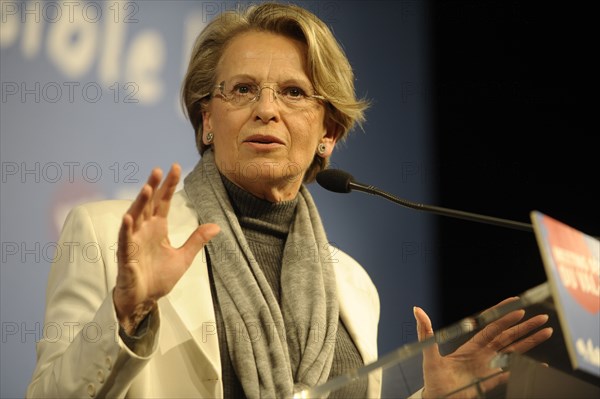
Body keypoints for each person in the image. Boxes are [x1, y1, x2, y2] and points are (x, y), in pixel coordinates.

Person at [26, 3, 552, 398]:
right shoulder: (105, 235)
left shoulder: (352, 285)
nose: (266, 109)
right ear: (207, 120)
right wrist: (127, 312)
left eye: (294, 93)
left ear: (329, 133)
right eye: (242, 90)